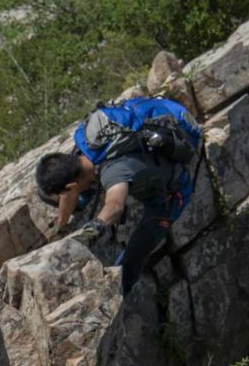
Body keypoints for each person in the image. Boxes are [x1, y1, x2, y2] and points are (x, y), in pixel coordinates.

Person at [36, 96, 201, 296]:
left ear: (72, 185)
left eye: (65, 191)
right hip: (165, 109)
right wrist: (62, 228)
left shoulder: (114, 174)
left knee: (137, 250)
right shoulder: (86, 141)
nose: (64, 196)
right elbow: (70, 192)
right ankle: (80, 197)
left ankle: (116, 294)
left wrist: (86, 235)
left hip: (173, 188)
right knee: (50, 193)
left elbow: (114, 205)